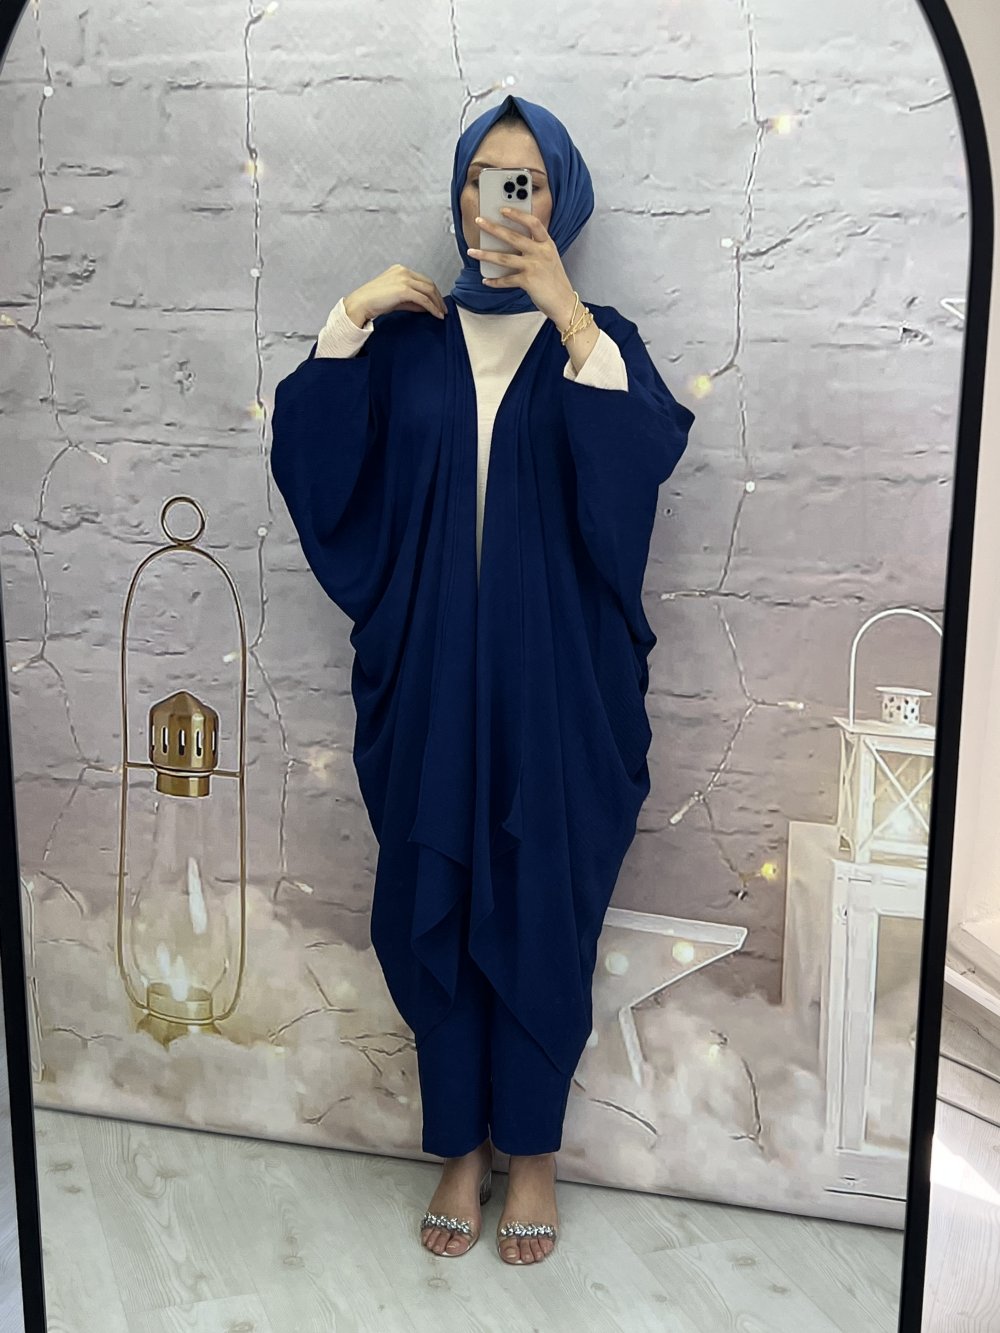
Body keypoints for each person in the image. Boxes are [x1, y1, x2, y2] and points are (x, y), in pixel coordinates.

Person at [269, 93, 695, 1266]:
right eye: (482, 177)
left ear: (561, 199)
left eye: (526, 181)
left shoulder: (598, 338)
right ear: (458, 192)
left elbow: (639, 467)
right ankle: (459, 1142)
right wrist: (349, 316)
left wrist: (567, 315)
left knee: (543, 905)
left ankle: (535, 1150)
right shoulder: (407, 339)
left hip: (558, 688)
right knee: (432, 901)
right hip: (430, 683)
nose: (499, 199)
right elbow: (317, 461)